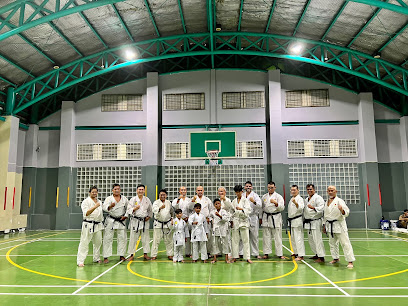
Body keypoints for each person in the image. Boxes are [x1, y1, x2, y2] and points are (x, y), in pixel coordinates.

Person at [324, 185, 355, 268]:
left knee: (345, 243)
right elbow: (325, 215)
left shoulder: (339, 201)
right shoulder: (326, 202)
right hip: (330, 225)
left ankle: (350, 261)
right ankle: (335, 258)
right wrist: (324, 225)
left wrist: (342, 210)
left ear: (336, 191)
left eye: (332, 190)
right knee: (332, 243)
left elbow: (347, 212)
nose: (330, 192)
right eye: (329, 190)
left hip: (339, 225)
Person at [77, 186, 104, 267]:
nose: (94, 193)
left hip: (98, 224)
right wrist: (95, 206)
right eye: (93, 192)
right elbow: (86, 213)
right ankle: (80, 260)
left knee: (98, 242)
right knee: (84, 242)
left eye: (96, 192)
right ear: (89, 192)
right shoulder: (85, 202)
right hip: (88, 224)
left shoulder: (99, 201)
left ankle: (96, 258)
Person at [102, 184, 128, 263]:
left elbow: (128, 209)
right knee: (107, 238)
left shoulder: (124, 199)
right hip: (111, 220)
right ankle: (106, 256)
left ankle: (121, 255)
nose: (117, 190)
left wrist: (126, 216)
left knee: (122, 238)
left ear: (120, 190)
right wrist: (110, 206)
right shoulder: (109, 198)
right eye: (115, 189)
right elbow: (104, 207)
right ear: (112, 190)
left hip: (121, 220)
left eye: (118, 189)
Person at [261, 181, 286, 259]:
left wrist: (276, 203)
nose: (270, 189)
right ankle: (266, 253)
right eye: (269, 187)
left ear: (275, 188)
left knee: (277, 236)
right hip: (266, 217)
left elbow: (282, 207)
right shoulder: (264, 197)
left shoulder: (278, 196)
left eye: (272, 187)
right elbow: (261, 208)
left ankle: (279, 254)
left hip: (275, 217)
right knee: (266, 236)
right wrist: (260, 218)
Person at [126, 184, 152, 261]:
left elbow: (150, 210)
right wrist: (134, 208)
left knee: (146, 239)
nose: (141, 191)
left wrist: (149, 217)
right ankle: (131, 255)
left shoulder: (147, 200)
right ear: (137, 190)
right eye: (139, 189)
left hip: (144, 222)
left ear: (144, 191)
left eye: (142, 189)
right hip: (135, 221)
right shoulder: (133, 199)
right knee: (133, 239)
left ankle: (146, 254)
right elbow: (128, 210)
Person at [231, 185, 253, 264]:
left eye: (238, 192)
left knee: (245, 240)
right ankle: (235, 257)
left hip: (243, 221)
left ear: (241, 192)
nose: (237, 194)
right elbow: (231, 211)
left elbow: (249, 211)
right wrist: (231, 220)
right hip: (236, 221)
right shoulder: (233, 201)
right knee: (235, 240)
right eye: (236, 192)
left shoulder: (245, 200)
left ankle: (247, 257)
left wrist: (242, 209)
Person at [304, 184, 325, 262]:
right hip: (309, 222)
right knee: (311, 240)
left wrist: (313, 208)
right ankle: (316, 254)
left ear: (314, 190)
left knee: (317, 239)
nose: (309, 191)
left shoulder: (318, 198)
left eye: (311, 189)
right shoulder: (306, 199)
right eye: (308, 189)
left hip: (316, 221)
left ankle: (321, 256)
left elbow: (322, 208)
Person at [151, 189, 174, 260]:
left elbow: (171, 212)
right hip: (158, 223)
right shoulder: (156, 202)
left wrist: (172, 219)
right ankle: (154, 255)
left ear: (166, 195)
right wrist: (160, 208)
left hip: (167, 224)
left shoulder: (169, 203)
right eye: (161, 195)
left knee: (169, 240)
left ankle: (170, 254)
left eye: (164, 195)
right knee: (156, 240)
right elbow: (154, 210)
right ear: (159, 195)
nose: (162, 196)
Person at [242, 181, 262, 259]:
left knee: (254, 236)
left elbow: (260, 206)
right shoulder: (242, 196)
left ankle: (255, 253)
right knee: (243, 236)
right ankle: (242, 253)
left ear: (252, 187)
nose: (248, 187)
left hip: (253, 217)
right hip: (244, 217)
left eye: (249, 186)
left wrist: (253, 201)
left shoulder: (255, 196)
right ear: (244, 187)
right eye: (247, 186)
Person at [190, 186, 213, 254]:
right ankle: (195, 253)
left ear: (203, 191)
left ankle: (208, 252)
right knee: (195, 238)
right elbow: (189, 208)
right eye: (198, 190)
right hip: (196, 221)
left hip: (206, 220)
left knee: (207, 237)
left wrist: (210, 218)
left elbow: (211, 209)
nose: (200, 191)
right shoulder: (193, 199)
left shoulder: (207, 199)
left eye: (201, 190)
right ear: (196, 191)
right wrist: (192, 201)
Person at [172, 186, 192, 257]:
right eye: (181, 190)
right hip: (179, 220)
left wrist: (188, 218)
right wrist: (178, 199)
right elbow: (174, 206)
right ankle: (177, 253)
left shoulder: (189, 200)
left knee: (187, 237)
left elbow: (191, 209)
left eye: (184, 190)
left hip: (186, 220)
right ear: (179, 191)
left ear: (186, 191)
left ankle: (188, 253)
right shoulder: (176, 200)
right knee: (178, 236)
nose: (183, 191)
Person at [287, 185, 305, 261]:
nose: (293, 191)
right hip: (292, 221)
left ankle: (301, 255)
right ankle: (296, 252)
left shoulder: (299, 199)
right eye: (292, 190)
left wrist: (296, 203)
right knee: (293, 238)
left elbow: (301, 208)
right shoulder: (292, 199)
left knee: (298, 238)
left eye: (294, 190)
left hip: (297, 220)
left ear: (298, 190)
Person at [210, 198, 230, 264]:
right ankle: (215, 258)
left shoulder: (224, 211)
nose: (218, 205)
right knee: (215, 243)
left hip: (223, 228)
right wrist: (210, 220)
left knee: (225, 243)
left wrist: (219, 216)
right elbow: (210, 217)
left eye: (219, 203)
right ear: (214, 205)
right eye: (216, 204)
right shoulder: (212, 212)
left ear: (221, 204)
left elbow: (226, 219)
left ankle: (226, 258)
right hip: (216, 228)